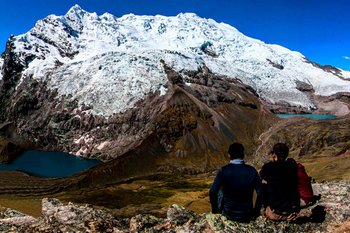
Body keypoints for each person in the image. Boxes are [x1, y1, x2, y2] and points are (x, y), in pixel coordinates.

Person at [209, 143, 263, 222]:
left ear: (229, 155)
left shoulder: (223, 171)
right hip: (246, 214)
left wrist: (215, 210)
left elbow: (212, 191)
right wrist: (256, 211)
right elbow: (261, 192)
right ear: (243, 155)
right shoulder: (252, 171)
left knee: (220, 188)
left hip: (228, 214)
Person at [260, 143, 300, 221]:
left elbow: (262, 176)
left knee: (262, 185)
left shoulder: (268, 167)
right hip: (291, 211)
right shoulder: (292, 167)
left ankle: (266, 211)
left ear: (274, 154)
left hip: (276, 213)